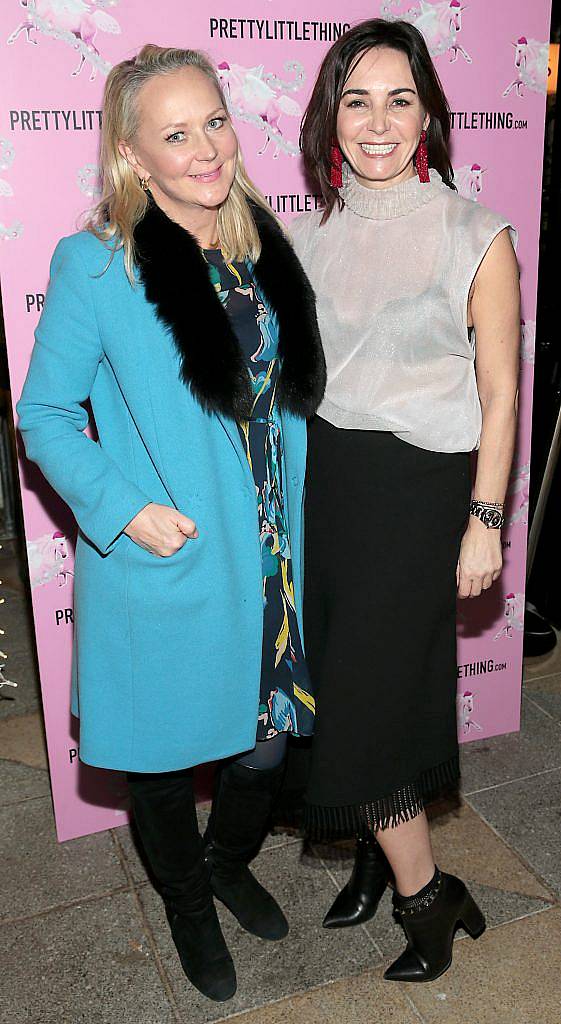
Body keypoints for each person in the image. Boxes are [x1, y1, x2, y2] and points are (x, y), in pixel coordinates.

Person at [17, 45, 325, 1002]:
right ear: (133, 155)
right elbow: (45, 415)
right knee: (157, 757)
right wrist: (123, 512)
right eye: (177, 133)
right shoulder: (97, 263)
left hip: (270, 550)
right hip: (169, 550)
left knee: (266, 738)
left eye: (216, 122)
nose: (206, 149)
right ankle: (187, 898)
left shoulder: (258, 243)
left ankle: (227, 862)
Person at [291, 18, 520, 982]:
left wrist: (485, 520)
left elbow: (502, 391)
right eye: (356, 99)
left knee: (367, 705)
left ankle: (431, 898)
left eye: (398, 98)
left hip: (423, 495)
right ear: (328, 117)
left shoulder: (475, 232)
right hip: (327, 489)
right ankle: (388, 873)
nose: (377, 122)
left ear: (427, 111)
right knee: (340, 691)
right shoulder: (304, 234)